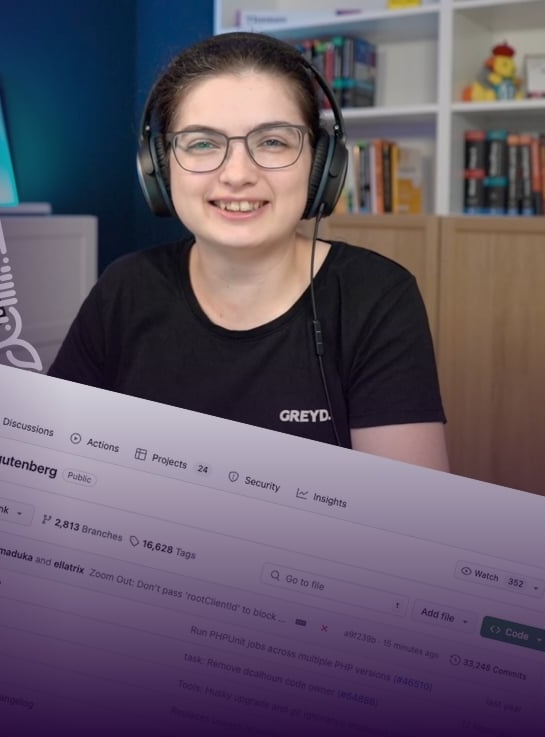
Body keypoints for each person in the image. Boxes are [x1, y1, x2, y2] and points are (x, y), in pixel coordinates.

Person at [48, 32, 448, 471]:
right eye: (202, 143)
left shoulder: (377, 297)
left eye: (273, 141)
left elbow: (407, 524)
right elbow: (54, 466)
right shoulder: (124, 289)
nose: (237, 175)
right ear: (158, 169)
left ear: (322, 165)